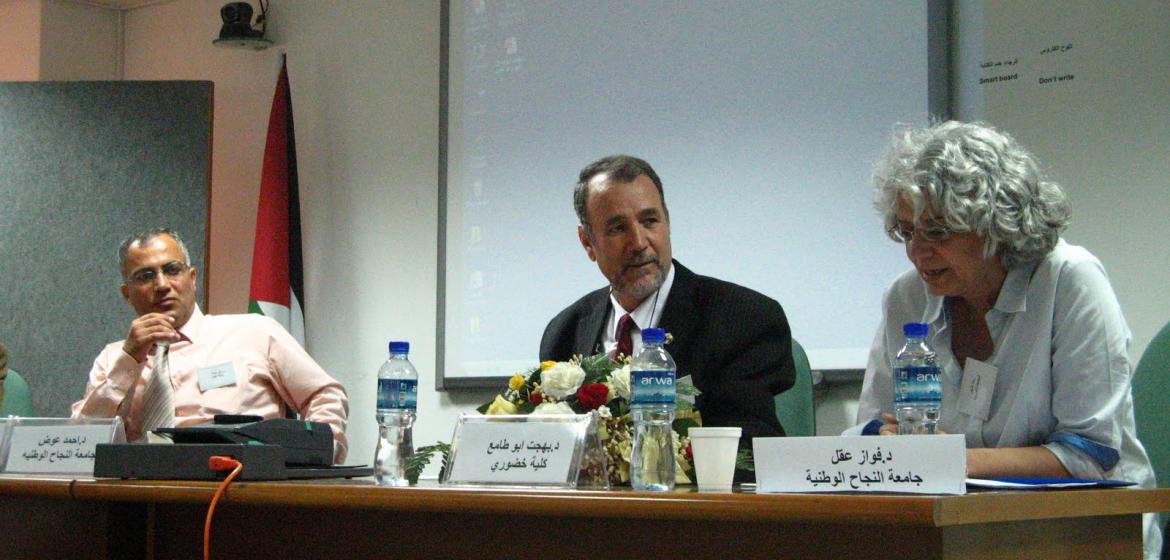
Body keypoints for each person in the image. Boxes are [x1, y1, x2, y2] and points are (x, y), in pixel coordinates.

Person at [852, 121, 1160, 557]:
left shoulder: (1069, 280)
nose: (917, 251)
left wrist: (945, 460)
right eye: (907, 231)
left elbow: (1091, 455)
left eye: (938, 232)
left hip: (1084, 535)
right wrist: (887, 446)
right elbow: (872, 429)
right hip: (953, 536)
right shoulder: (906, 296)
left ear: (996, 222)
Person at [541, 155, 796, 449]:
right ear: (587, 242)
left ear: (668, 222)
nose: (638, 242)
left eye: (650, 221)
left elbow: (749, 449)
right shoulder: (564, 332)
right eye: (617, 228)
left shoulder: (744, 319)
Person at [72, 228, 349, 463]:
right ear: (127, 294)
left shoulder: (253, 332)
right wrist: (130, 360)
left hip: (238, 488)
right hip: (141, 499)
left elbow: (324, 394)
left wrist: (319, 454)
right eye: (145, 276)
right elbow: (80, 442)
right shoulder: (114, 358)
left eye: (171, 270)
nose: (161, 285)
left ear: (192, 278)